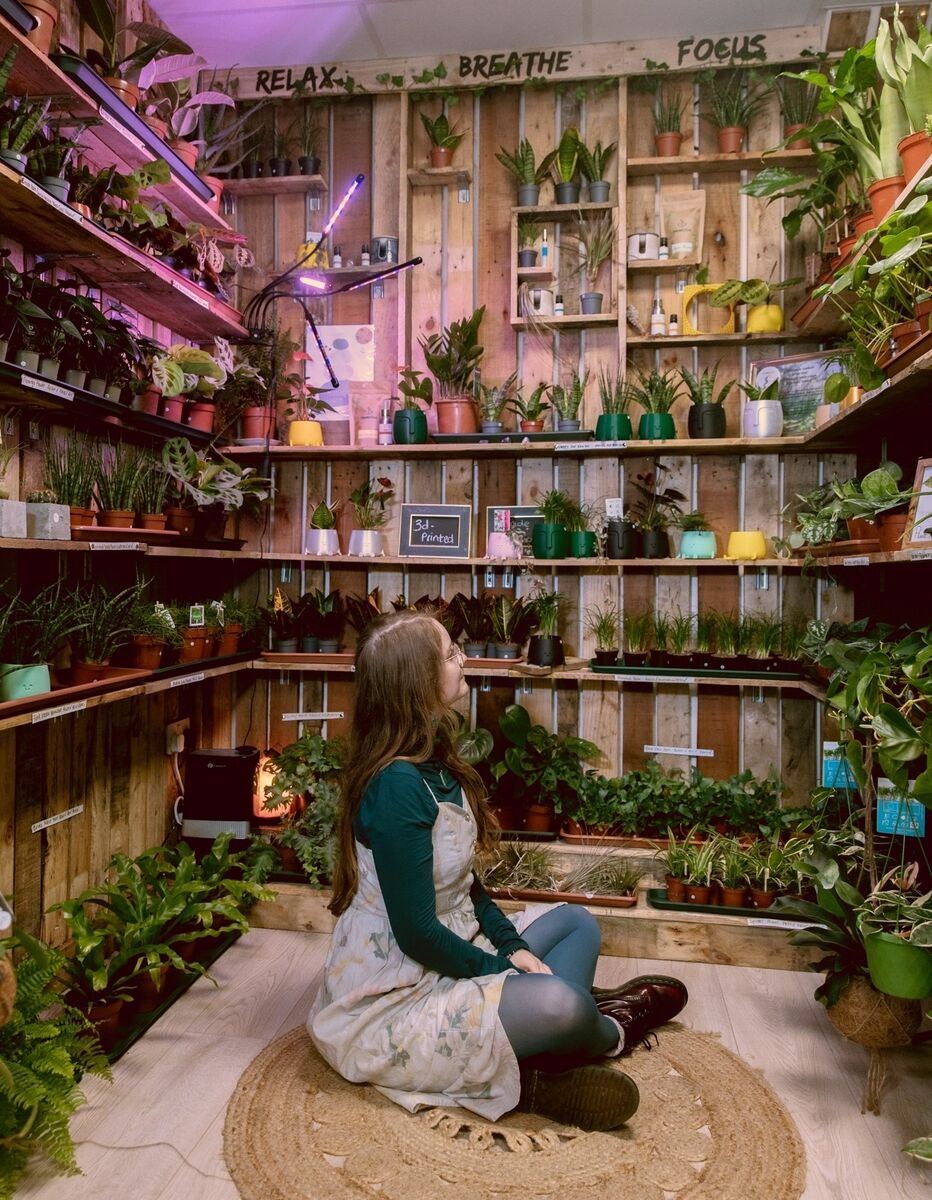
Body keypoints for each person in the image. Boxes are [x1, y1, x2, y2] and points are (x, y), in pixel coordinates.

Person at [308, 610, 687, 1131]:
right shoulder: (397, 787)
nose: (462, 658)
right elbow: (417, 935)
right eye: (449, 653)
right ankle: (608, 1029)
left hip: (455, 943)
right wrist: (502, 973)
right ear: (418, 683)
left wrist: (513, 948)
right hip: (399, 992)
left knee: (578, 924)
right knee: (562, 1002)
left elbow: (468, 887)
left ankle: (548, 1048)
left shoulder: (433, 761)